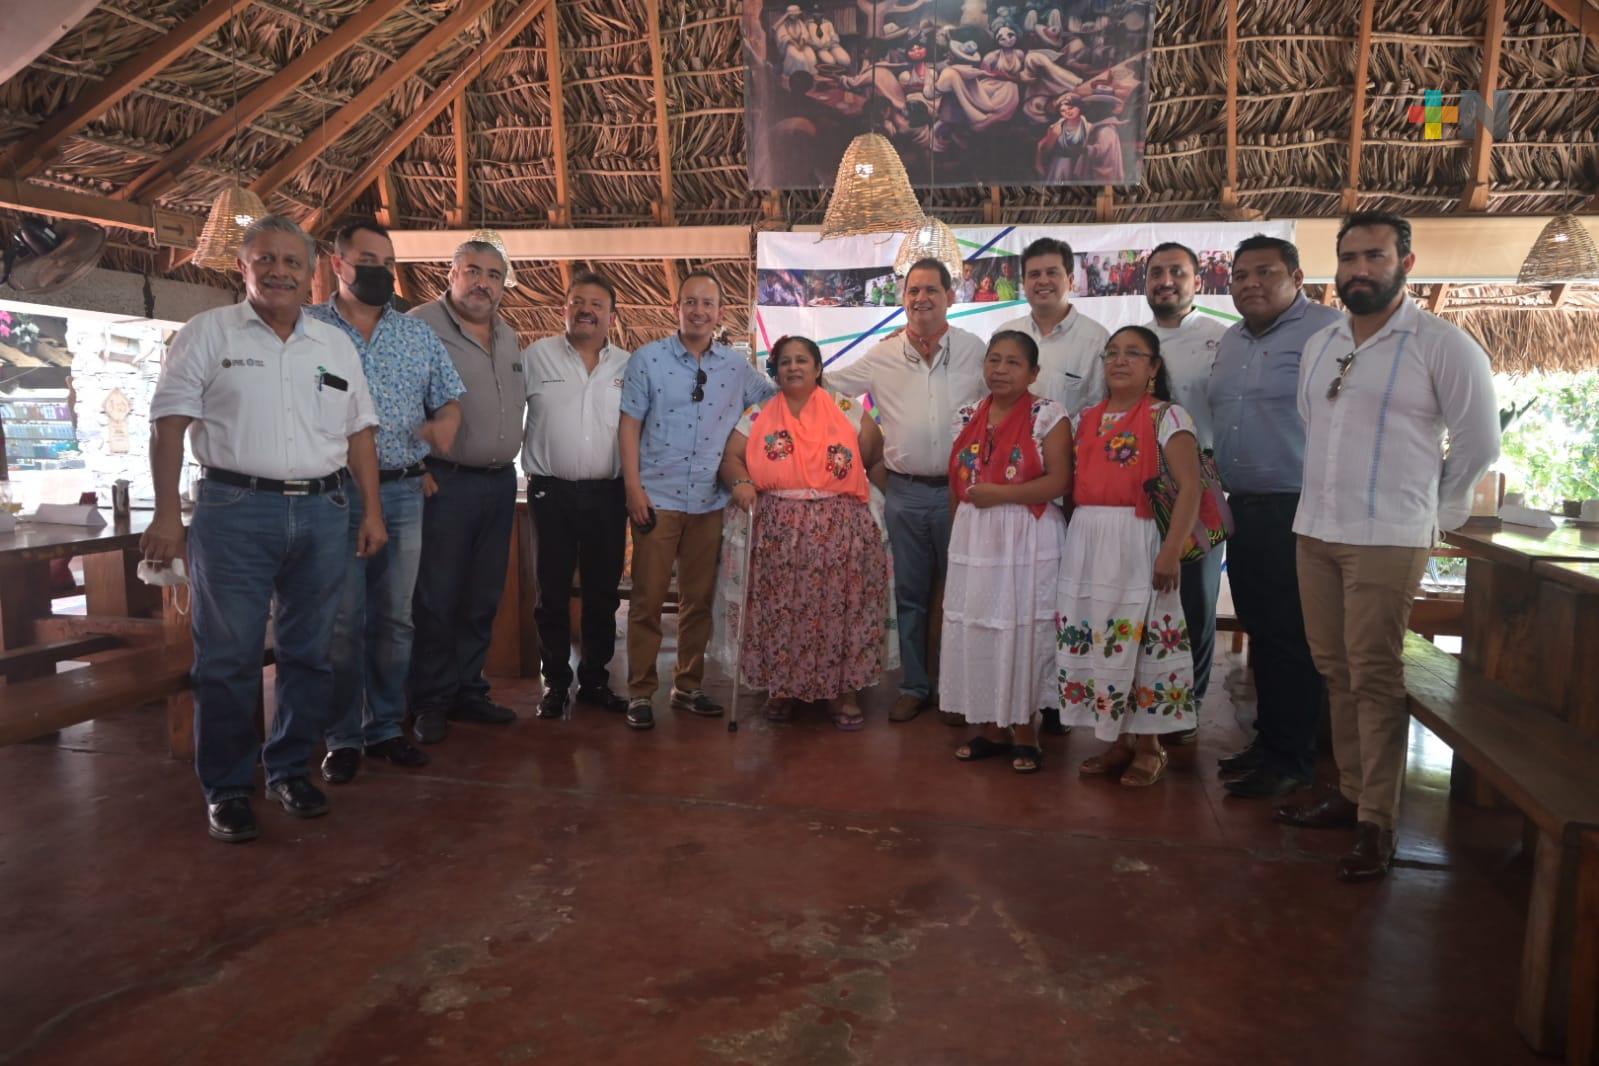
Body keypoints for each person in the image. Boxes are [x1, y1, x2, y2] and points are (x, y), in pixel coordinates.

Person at [142, 215, 384, 843]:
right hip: (234, 511)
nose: (279, 271)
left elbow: (360, 433)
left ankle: (288, 770)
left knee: (312, 652)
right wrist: (168, 513)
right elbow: (169, 426)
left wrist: (373, 511)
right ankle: (226, 786)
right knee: (228, 657)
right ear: (243, 268)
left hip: (325, 511)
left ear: (312, 273)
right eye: (265, 260)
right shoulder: (207, 333)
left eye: (291, 262)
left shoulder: (334, 347)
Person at [1276, 213, 1499, 882]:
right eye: (1347, 258)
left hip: (1387, 535)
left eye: (1372, 256)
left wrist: (1431, 515)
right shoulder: (1320, 344)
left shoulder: (1441, 345)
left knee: (1372, 674)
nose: (1357, 270)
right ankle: (1349, 794)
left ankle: (1378, 820)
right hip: (1315, 527)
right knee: (1333, 667)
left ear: (1405, 260)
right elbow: (1310, 425)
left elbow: (1478, 444)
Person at [312, 219, 464, 785]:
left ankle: (383, 727)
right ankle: (342, 735)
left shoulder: (416, 334)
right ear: (338, 263)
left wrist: (442, 427)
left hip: (403, 490)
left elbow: (450, 400)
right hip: (333, 493)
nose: (377, 271)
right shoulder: (310, 331)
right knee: (345, 621)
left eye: (386, 262)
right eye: (366, 260)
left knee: (396, 620)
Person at [1209, 234, 1343, 798]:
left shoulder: (1328, 331)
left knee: (1294, 636)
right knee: (1261, 629)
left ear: (1297, 276)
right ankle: (1270, 743)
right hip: (1244, 508)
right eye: (1240, 275)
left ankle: (1294, 757)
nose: (1250, 284)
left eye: (1265, 272)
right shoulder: (1232, 340)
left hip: (1299, 506)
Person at [826, 259, 986, 724]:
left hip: (965, 497)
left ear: (951, 296)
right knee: (911, 596)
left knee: (961, 595)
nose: (921, 299)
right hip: (905, 494)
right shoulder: (883, 355)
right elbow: (828, 385)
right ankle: (915, 686)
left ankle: (958, 691)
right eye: (913, 291)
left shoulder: (977, 352)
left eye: (931, 290)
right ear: (903, 298)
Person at [620, 272, 776, 729]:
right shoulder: (646, 360)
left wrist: (824, 388)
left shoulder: (736, 367)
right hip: (657, 497)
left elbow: (775, 406)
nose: (699, 311)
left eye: (708, 304)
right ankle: (640, 692)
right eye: (691, 302)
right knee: (647, 601)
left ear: (720, 313)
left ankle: (687, 686)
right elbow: (628, 426)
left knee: (698, 600)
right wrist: (633, 488)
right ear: (677, 308)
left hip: (710, 501)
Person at [716, 336, 891, 728]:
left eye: (802, 361)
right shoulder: (758, 414)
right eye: (784, 362)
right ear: (775, 371)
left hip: (840, 528)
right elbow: (731, 457)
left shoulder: (846, 410)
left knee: (841, 608)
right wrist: (740, 481)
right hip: (778, 527)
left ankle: (843, 693)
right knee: (780, 609)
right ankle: (781, 689)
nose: (793, 368)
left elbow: (875, 456)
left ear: (817, 368)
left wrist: (882, 506)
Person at [1057, 326, 1202, 787]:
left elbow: (1191, 488)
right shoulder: (1085, 419)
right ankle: (1116, 741)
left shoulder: (1168, 417)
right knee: (1100, 636)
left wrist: (1171, 550)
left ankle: (1150, 746)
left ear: (1154, 368)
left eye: (1134, 353)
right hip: (1088, 538)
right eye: (1112, 353)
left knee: (1139, 638)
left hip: (1139, 539)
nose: (1120, 361)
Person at [408, 239, 527, 745]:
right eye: (473, 271)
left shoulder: (511, 337)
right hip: (444, 480)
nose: (483, 282)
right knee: (436, 596)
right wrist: (415, 467)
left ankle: (467, 689)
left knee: (482, 594)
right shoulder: (419, 326)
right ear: (450, 274)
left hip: (499, 483)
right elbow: (393, 401)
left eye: (493, 275)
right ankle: (430, 699)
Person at [945, 331, 1070, 773]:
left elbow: (1059, 482)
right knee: (980, 626)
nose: (1000, 369)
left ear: (1034, 372)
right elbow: (956, 483)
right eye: (993, 360)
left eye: (1013, 362)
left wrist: (999, 494)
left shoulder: (1047, 414)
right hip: (975, 536)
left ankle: (1025, 730)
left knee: (1023, 628)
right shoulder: (966, 414)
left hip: (1027, 534)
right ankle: (990, 726)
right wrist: (957, 535)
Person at [522, 272, 634, 720]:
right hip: (551, 493)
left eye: (597, 303)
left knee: (603, 592)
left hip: (609, 494)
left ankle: (594, 680)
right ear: (564, 308)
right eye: (578, 301)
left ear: (611, 314)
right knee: (550, 592)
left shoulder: (628, 365)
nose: (587, 309)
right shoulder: (535, 358)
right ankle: (554, 683)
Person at [1142, 241, 1228, 743]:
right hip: (1140, 481)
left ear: (1198, 281)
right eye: (1156, 273)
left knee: (1194, 597)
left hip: (1199, 479)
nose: (1166, 281)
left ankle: (1188, 706)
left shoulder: (1222, 340)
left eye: (1177, 271)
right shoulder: (1133, 341)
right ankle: (1145, 697)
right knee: (1145, 594)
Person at [998, 237, 1109, 417]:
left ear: (1071, 280)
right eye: (1034, 274)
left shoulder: (1097, 340)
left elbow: (1102, 410)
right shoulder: (1004, 336)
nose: (1043, 281)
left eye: (1052, 273)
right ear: (1024, 283)